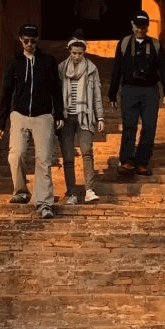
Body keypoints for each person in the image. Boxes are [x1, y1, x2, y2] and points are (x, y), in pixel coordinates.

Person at [0, 23, 64, 219]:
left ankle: (44, 203)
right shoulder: (14, 63)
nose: (29, 44)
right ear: (20, 40)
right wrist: (0, 122)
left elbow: (56, 90)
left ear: (37, 41)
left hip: (43, 116)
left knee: (44, 159)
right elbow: (6, 93)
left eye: (33, 41)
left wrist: (58, 114)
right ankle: (21, 192)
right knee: (15, 155)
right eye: (26, 41)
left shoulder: (47, 61)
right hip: (19, 114)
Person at [108, 10, 165, 176]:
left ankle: (142, 162)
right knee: (129, 126)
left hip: (150, 90)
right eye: (137, 26)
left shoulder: (156, 45)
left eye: (143, 27)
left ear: (147, 27)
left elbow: (163, 69)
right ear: (132, 25)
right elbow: (117, 69)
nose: (140, 30)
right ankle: (127, 161)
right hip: (129, 90)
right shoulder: (123, 44)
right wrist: (112, 92)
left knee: (149, 127)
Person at [57, 33, 105, 204]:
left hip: (85, 115)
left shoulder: (92, 69)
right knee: (68, 156)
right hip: (66, 116)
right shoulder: (61, 69)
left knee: (87, 151)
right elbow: (56, 94)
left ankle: (89, 190)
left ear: (84, 52)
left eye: (80, 53)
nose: (77, 56)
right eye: (74, 53)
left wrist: (100, 117)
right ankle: (71, 193)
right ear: (69, 51)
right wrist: (56, 115)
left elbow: (97, 94)